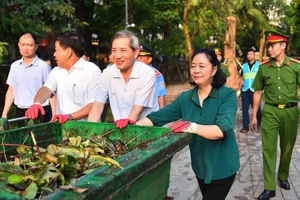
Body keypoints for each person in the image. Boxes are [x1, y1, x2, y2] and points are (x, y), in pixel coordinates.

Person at [136, 49, 240, 199]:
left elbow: (220, 130)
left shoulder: (227, 95)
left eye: (202, 66)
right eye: (193, 66)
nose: (196, 70)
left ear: (214, 70)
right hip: (200, 167)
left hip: (223, 166)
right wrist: (133, 125)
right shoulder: (186, 98)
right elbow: (157, 118)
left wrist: (191, 127)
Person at [250, 30, 300, 200]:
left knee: (287, 148)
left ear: (283, 46)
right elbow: (257, 92)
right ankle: (269, 187)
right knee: (268, 149)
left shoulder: (295, 66)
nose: (269, 49)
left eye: (273, 46)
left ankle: (283, 176)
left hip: (291, 111)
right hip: (270, 111)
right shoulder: (264, 68)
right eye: (268, 46)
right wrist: (254, 115)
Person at [25, 31, 101, 124]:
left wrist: (68, 117)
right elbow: (46, 89)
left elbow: (94, 105)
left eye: (56, 50)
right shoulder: (56, 71)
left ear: (68, 52)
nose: (54, 54)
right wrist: (36, 103)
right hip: (63, 129)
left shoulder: (92, 70)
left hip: (87, 130)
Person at [88, 30, 158, 128]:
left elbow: (136, 111)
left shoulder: (147, 74)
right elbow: (97, 106)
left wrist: (126, 124)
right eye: (114, 50)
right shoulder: (107, 73)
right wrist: (89, 132)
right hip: (120, 130)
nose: (117, 56)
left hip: (144, 130)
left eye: (123, 50)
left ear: (136, 52)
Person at [1, 32, 52, 124]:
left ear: (36, 46)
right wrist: (4, 114)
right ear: (18, 45)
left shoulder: (43, 67)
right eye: (23, 45)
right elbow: (11, 90)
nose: (26, 48)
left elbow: (51, 91)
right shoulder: (15, 66)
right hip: (20, 111)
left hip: (39, 112)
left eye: (29, 45)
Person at [237, 47, 262, 133]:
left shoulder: (259, 65)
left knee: (257, 108)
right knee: (244, 109)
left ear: (254, 55)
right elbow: (242, 78)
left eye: (251, 54)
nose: (249, 56)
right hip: (245, 90)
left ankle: (260, 122)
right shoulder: (244, 66)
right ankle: (245, 127)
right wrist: (239, 90)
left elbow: (262, 78)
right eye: (248, 54)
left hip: (255, 91)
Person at [137, 44, 166, 108]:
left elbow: (161, 96)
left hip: (150, 110)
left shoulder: (156, 74)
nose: (138, 59)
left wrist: (162, 114)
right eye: (137, 57)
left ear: (149, 59)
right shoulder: (133, 72)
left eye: (141, 57)